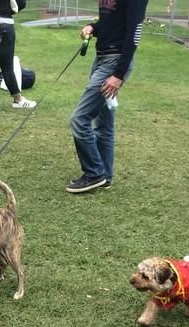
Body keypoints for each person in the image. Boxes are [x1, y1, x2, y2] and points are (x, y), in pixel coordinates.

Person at [65, 0, 148, 194]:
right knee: (104, 125)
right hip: (101, 58)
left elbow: (134, 34)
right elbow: (110, 22)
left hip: (114, 63)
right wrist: (92, 27)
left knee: (79, 119)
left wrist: (119, 74)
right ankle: (105, 176)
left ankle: (94, 173)